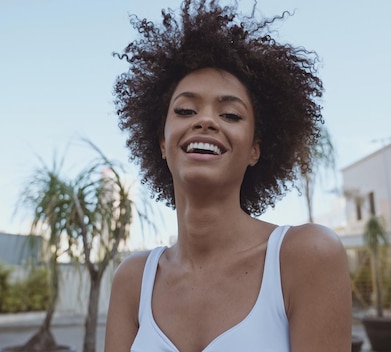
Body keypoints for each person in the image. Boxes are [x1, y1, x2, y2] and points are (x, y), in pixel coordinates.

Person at [105, 1, 351, 351]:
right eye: (186, 110)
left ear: (255, 149)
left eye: (231, 114)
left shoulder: (305, 256)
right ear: (161, 142)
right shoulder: (132, 279)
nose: (205, 121)